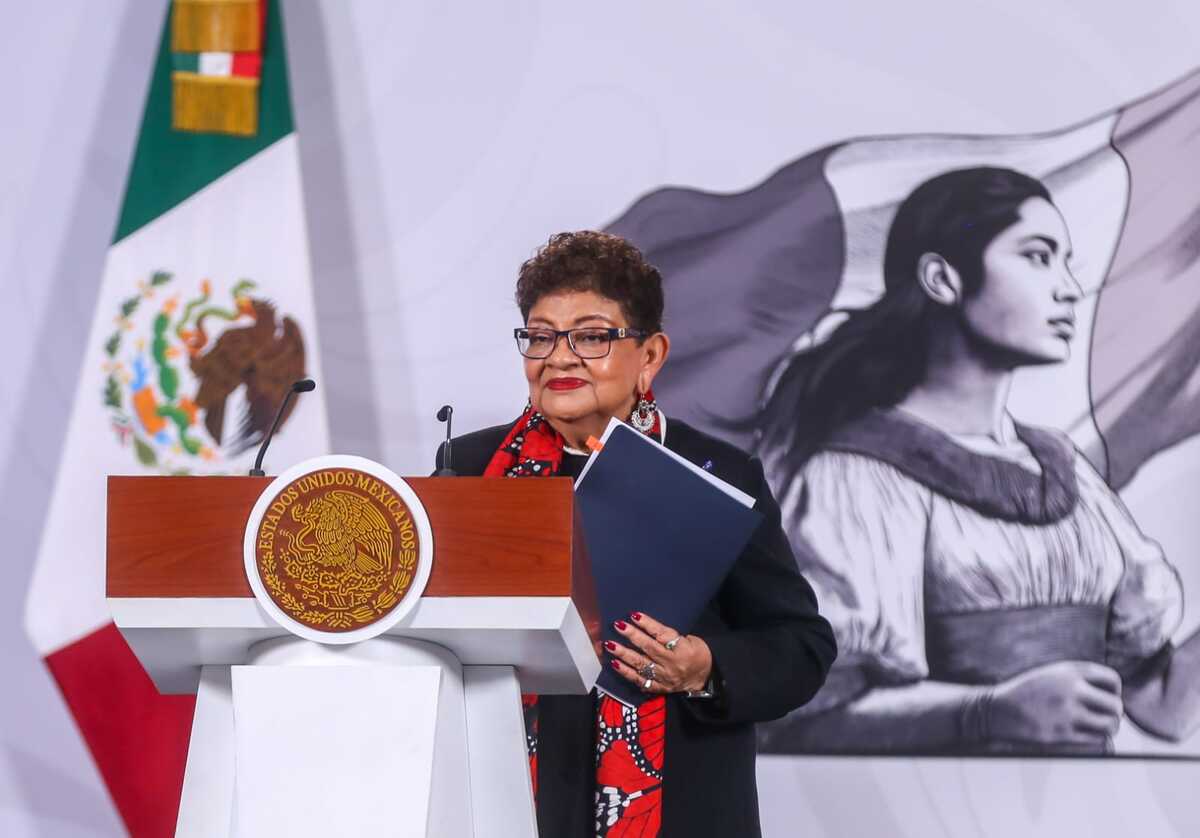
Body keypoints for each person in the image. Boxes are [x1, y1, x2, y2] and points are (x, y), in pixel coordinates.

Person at [753, 166, 1200, 755]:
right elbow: (803, 717)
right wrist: (988, 712)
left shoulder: (1065, 471)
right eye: (1037, 257)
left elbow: (1164, 706)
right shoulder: (856, 475)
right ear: (942, 279)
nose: (1069, 289)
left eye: (1066, 262)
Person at [435, 230, 836, 835]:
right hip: (505, 801)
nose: (559, 357)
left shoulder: (715, 474)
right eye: (541, 336)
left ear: (649, 356)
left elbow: (801, 646)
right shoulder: (468, 468)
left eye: (592, 336)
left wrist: (704, 667)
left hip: (678, 811)